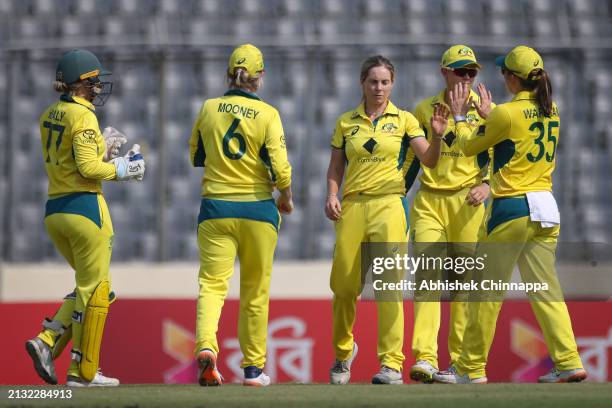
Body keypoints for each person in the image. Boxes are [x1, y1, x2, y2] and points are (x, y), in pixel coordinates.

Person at [433, 45, 587, 384]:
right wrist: (492, 117)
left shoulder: (506, 113)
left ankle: (470, 367)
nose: (502, 77)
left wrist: (461, 117)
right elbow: (513, 135)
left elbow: (470, 148)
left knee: (485, 292)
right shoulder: (553, 109)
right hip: (546, 208)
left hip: (512, 208)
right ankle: (569, 359)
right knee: (547, 291)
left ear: (513, 79)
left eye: (505, 73)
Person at [25, 49, 145, 387]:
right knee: (97, 291)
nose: (98, 87)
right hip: (85, 209)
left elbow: (70, 160)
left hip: (55, 210)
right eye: (94, 81)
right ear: (82, 83)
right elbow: (88, 169)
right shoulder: (83, 116)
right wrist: (125, 168)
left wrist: (100, 149)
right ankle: (83, 372)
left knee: (88, 288)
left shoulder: (51, 113)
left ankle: (46, 343)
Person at [326, 55, 448, 385]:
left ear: (392, 84)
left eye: (385, 82)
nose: (379, 88)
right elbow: (336, 167)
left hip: (390, 207)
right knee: (344, 287)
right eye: (373, 82)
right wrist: (332, 194)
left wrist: (436, 136)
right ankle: (343, 352)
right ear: (362, 83)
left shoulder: (406, 120)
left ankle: (391, 363)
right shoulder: (345, 122)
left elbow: (430, 162)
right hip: (352, 208)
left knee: (389, 287)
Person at [189, 44, 293, 387]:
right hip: (258, 210)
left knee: (212, 286)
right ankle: (252, 370)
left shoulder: (208, 108)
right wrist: (286, 198)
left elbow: (197, 155)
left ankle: (206, 345)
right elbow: (281, 169)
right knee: (254, 291)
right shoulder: (268, 114)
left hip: (216, 208)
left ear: (228, 73)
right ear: (259, 76)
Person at [409, 45, 494, 383]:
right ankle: (426, 358)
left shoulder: (487, 109)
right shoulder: (423, 109)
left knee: (463, 285)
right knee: (427, 280)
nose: (467, 77)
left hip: (468, 203)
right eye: (460, 71)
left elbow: (504, 155)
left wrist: (488, 184)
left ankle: (459, 362)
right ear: (444, 72)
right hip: (430, 200)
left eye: (472, 71)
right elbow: (414, 161)